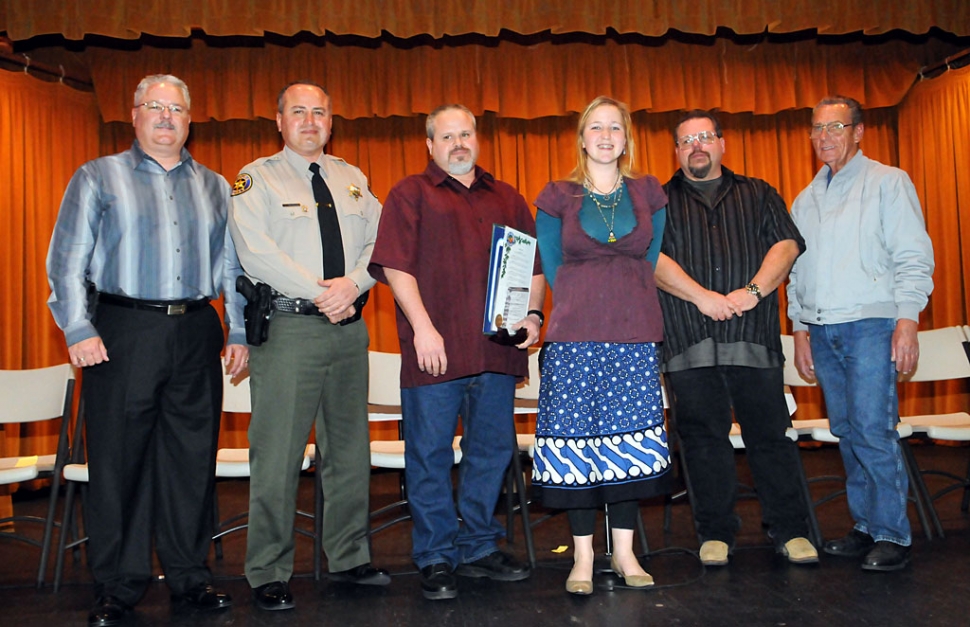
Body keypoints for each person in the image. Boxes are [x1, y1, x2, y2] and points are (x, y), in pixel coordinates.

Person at [46, 74, 245, 627]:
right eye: (154, 107)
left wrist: (237, 330)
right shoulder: (96, 176)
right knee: (118, 462)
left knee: (190, 461)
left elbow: (230, 267)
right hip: (122, 331)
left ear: (189, 120)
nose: (165, 117)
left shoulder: (214, 185)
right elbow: (66, 260)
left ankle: (189, 577)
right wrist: (78, 328)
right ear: (133, 115)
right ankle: (117, 585)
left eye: (176, 108)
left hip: (195, 329)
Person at [368, 103, 544, 601]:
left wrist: (533, 317)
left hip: (494, 352)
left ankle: (479, 547)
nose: (458, 144)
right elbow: (396, 268)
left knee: (489, 454)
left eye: (465, 134)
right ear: (430, 145)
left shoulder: (508, 198)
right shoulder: (410, 194)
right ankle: (436, 555)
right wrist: (423, 328)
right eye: (447, 137)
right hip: (435, 352)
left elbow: (532, 267)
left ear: (477, 139)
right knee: (429, 456)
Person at [228, 80, 387, 611]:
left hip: (348, 328)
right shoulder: (257, 179)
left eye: (320, 112)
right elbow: (256, 253)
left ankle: (348, 557)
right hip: (292, 328)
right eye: (299, 111)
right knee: (278, 454)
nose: (310, 121)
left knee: (349, 450)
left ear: (331, 120)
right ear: (279, 120)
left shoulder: (352, 178)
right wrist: (325, 292)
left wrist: (355, 285)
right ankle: (268, 569)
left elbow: (379, 243)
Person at [654, 109, 818, 568]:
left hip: (753, 336)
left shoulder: (760, 193)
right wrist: (703, 297)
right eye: (687, 140)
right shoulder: (658, 202)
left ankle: (790, 530)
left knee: (771, 437)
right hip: (689, 340)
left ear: (722, 143)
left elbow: (786, 246)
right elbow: (652, 260)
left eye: (705, 137)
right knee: (702, 440)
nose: (697, 146)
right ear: (677, 150)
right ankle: (715, 533)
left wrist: (751, 293)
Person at [531, 96, 671, 595]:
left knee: (627, 443)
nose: (606, 136)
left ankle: (627, 554)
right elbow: (551, 268)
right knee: (577, 448)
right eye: (596, 127)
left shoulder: (649, 193)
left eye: (615, 127)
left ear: (627, 137)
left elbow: (647, 262)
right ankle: (584, 559)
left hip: (633, 337)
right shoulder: (557, 196)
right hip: (574, 339)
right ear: (582, 137)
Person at [787, 96, 934, 572]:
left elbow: (913, 255)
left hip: (872, 325)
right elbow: (797, 271)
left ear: (858, 132)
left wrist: (907, 320)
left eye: (834, 127)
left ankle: (893, 532)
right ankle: (866, 525)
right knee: (846, 431)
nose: (824, 137)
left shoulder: (888, 182)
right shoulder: (804, 199)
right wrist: (800, 327)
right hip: (822, 328)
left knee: (873, 430)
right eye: (816, 128)